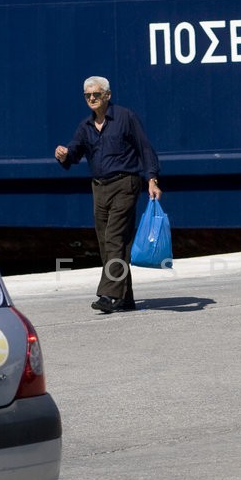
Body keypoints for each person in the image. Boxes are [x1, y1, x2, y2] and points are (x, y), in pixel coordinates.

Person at [54, 76, 162, 313]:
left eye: (96, 94)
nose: (92, 98)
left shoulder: (125, 117)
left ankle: (108, 296)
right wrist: (63, 154)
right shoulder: (85, 127)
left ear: (107, 95)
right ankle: (125, 297)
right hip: (99, 188)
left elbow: (145, 148)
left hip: (126, 184)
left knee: (114, 237)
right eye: (87, 95)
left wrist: (151, 179)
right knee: (109, 244)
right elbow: (74, 152)